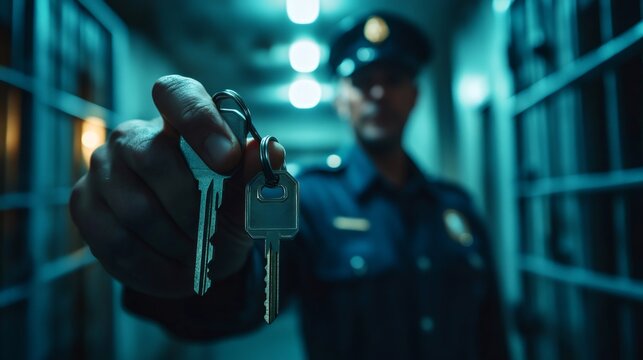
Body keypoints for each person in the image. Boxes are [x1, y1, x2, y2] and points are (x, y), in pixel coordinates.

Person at [70, 12, 507, 360]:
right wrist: (195, 261)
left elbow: (491, 335)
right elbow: (250, 291)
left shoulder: (458, 210)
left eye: (393, 81)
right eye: (362, 82)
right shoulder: (310, 200)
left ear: (414, 95)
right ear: (341, 99)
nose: (377, 94)